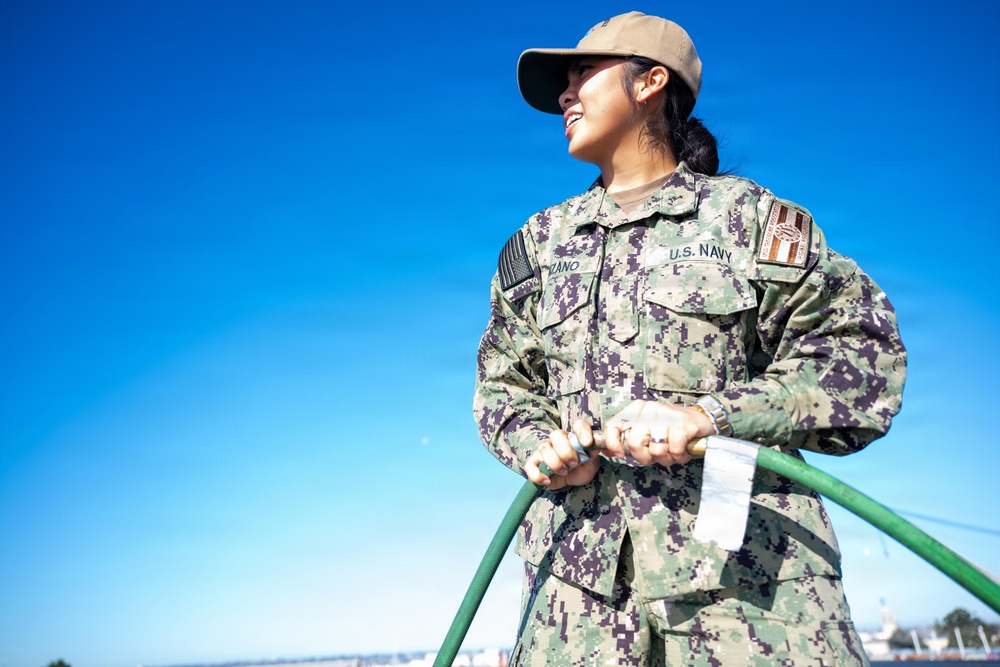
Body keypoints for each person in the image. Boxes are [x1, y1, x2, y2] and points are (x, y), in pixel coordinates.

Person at [473, 11, 905, 667]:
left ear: (649, 82)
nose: (566, 94)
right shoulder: (535, 246)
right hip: (575, 607)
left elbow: (858, 356)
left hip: (744, 593)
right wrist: (543, 444)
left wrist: (712, 416)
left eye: (583, 73)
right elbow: (502, 390)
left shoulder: (750, 220)